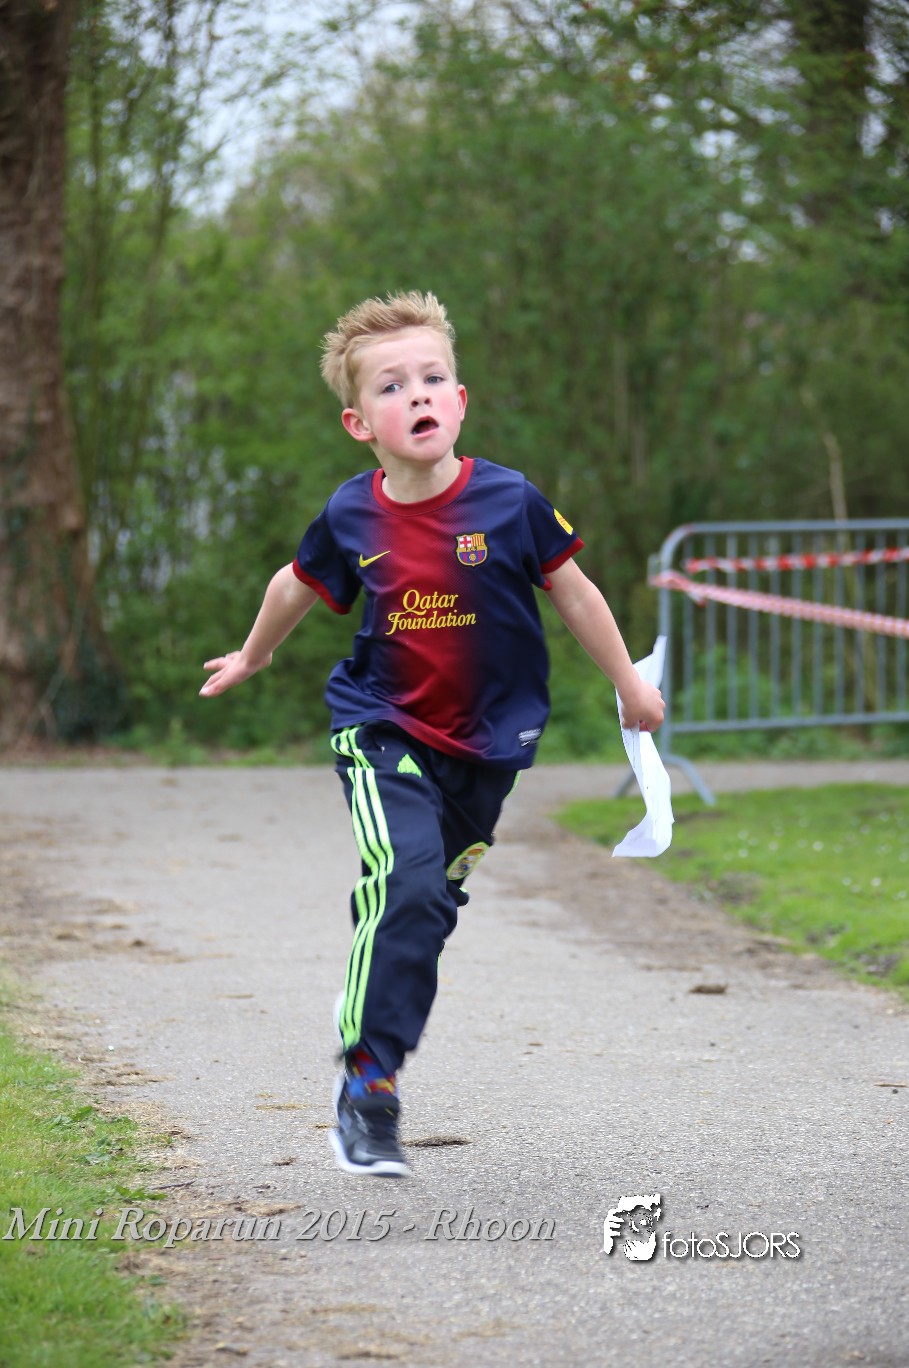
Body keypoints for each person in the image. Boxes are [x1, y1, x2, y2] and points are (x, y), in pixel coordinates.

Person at [199, 290, 664, 1177]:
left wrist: (629, 684)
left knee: (427, 911)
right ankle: (368, 1087)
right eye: (391, 385)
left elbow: (575, 592)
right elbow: (294, 582)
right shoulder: (353, 514)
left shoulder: (510, 501)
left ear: (460, 401)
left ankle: (378, 1057)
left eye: (432, 378)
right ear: (358, 423)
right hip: (381, 727)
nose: (416, 394)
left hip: (489, 749)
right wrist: (255, 655)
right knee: (404, 881)